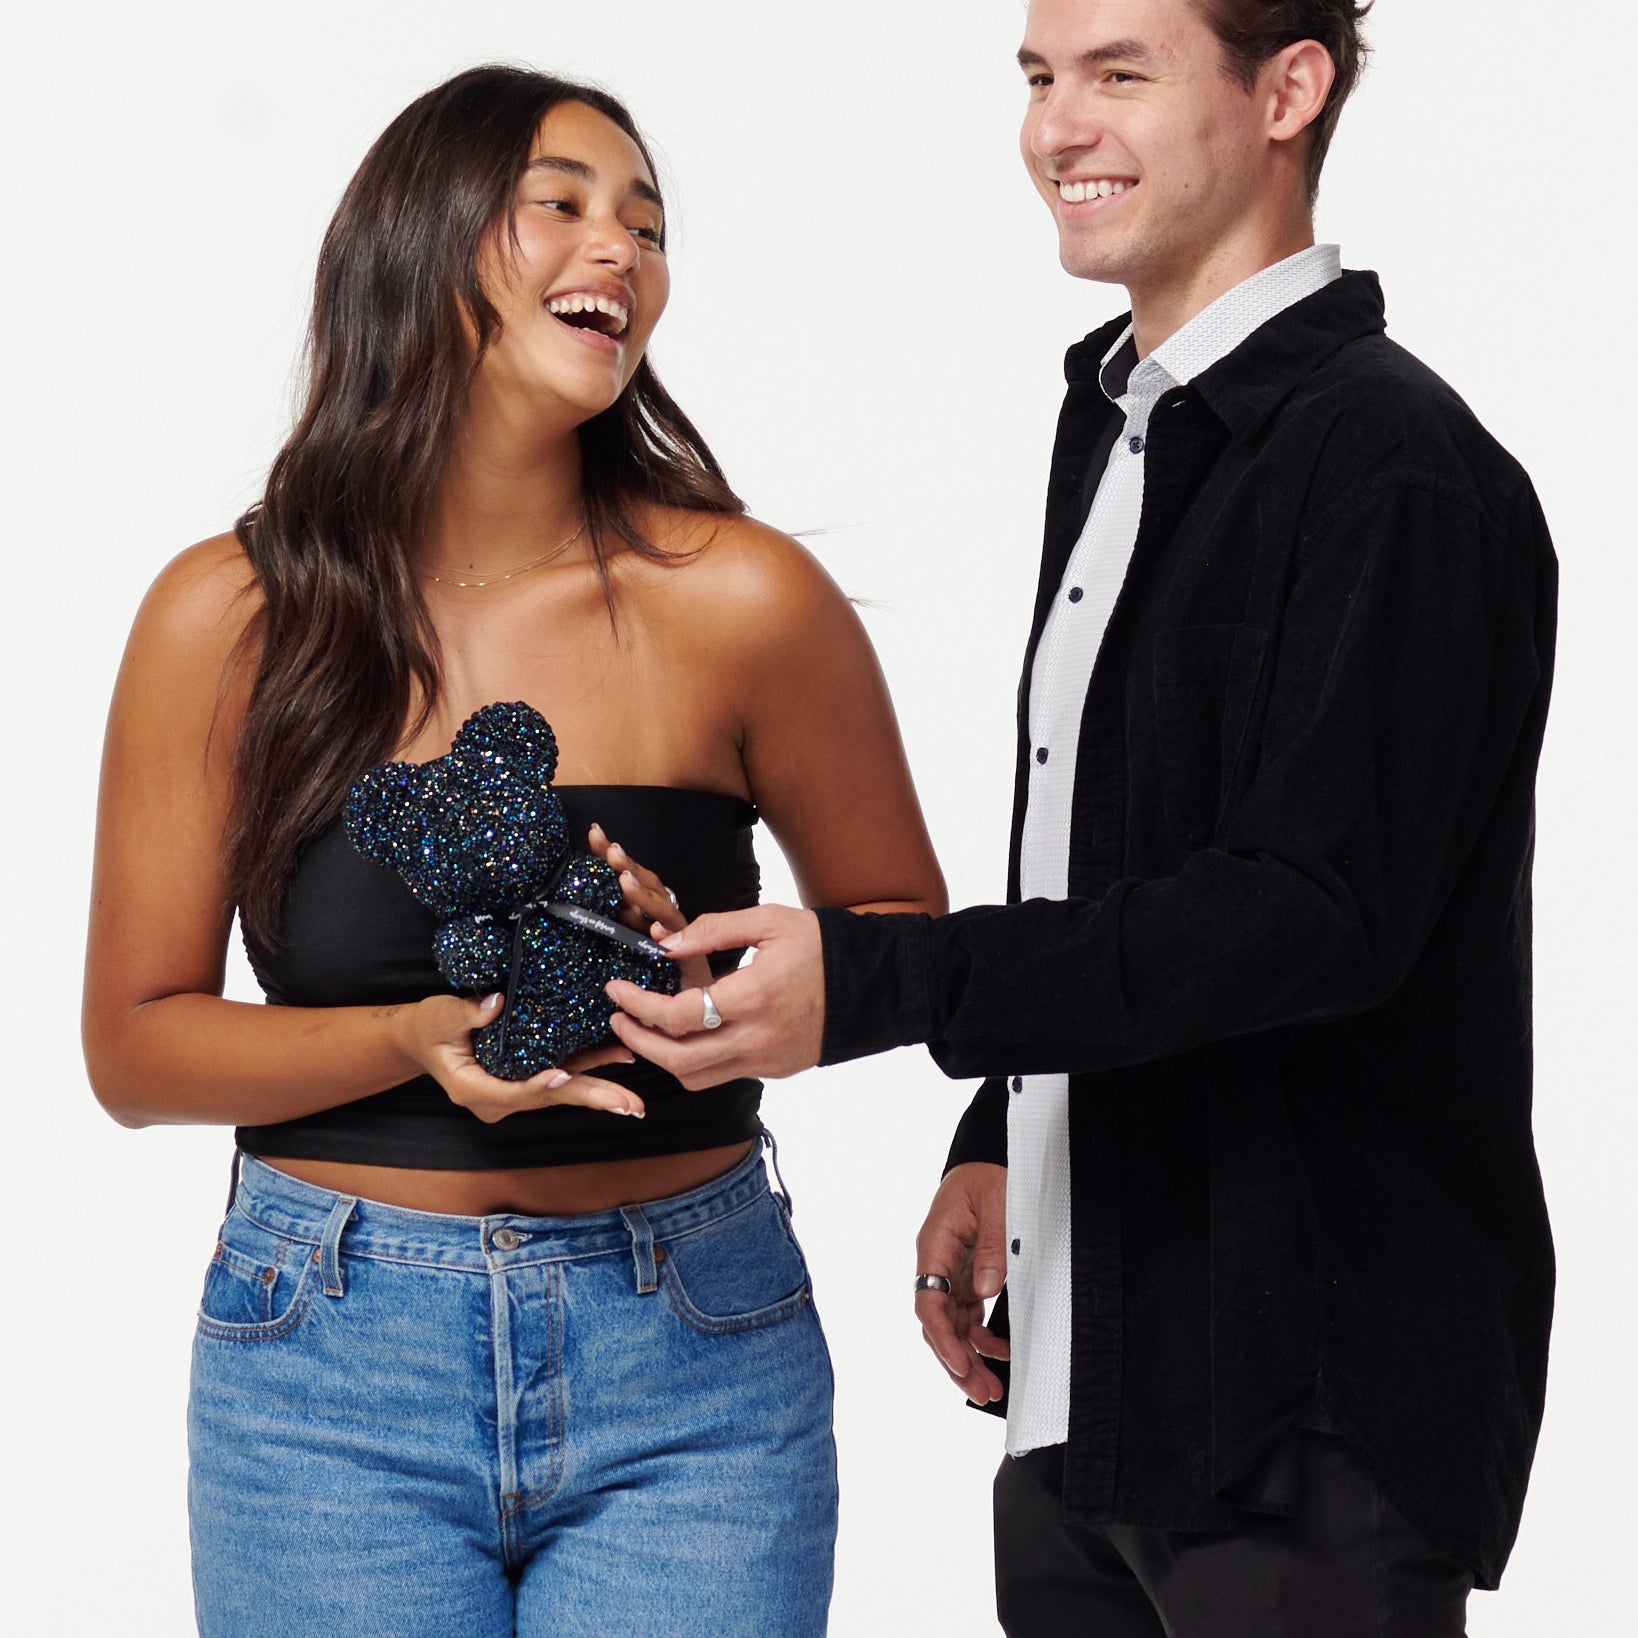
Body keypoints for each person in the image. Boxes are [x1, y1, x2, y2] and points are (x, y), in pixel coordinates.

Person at [608, 2, 1558, 1633]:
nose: (1057, 128)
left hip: (1295, 1408)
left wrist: (883, 982)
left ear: (1288, 89)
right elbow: (1121, 857)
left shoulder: (1391, 465)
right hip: (1084, 1378)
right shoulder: (1121, 424)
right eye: (1040, 77)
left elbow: (1309, 912)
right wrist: (1005, 1128)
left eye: (1121, 72)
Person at [81, 64, 945, 1638]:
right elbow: (135, 1049)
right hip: (329, 1370)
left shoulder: (745, 599)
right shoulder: (229, 615)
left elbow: (902, 940)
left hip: (692, 1353)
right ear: (420, 239)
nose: (621, 248)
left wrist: (708, 978)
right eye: (562, 202)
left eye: (648, 225)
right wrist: (415, 1038)